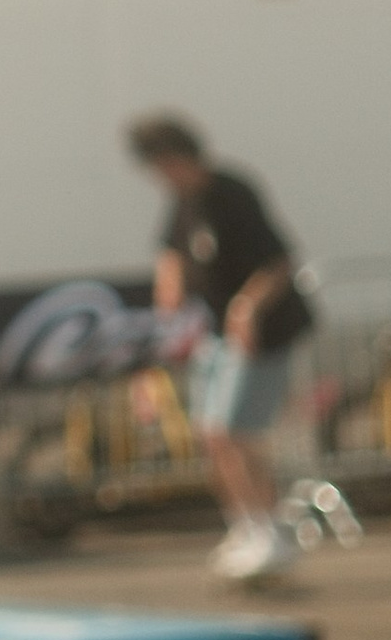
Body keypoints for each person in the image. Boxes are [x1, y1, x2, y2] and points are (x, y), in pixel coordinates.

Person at [127, 113, 313, 583]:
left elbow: (278, 261)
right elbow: (170, 255)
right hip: (211, 335)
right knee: (211, 434)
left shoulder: (232, 193)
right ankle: (245, 524)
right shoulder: (182, 203)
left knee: (233, 431)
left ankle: (270, 529)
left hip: (259, 335)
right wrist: (166, 305)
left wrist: (247, 308)